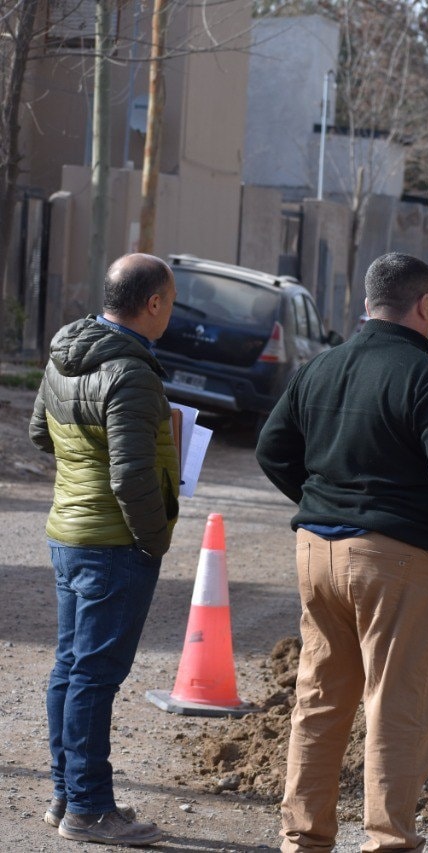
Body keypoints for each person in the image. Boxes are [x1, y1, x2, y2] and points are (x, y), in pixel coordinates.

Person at [256, 252, 428, 853]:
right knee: (397, 704)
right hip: (400, 562)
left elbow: (272, 449)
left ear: (367, 304)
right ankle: (387, 841)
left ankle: (303, 839)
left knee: (319, 699)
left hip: (317, 556)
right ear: (426, 306)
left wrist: (322, 501)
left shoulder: (320, 366)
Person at [30, 253, 180, 846]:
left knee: (72, 668)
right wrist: (152, 542)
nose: (171, 312)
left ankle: (66, 795)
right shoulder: (133, 375)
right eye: (170, 301)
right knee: (94, 676)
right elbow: (130, 478)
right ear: (151, 304)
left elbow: (42, 433)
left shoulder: (63, 356)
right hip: (114, 544)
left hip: (67, 534)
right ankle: (90, 810)